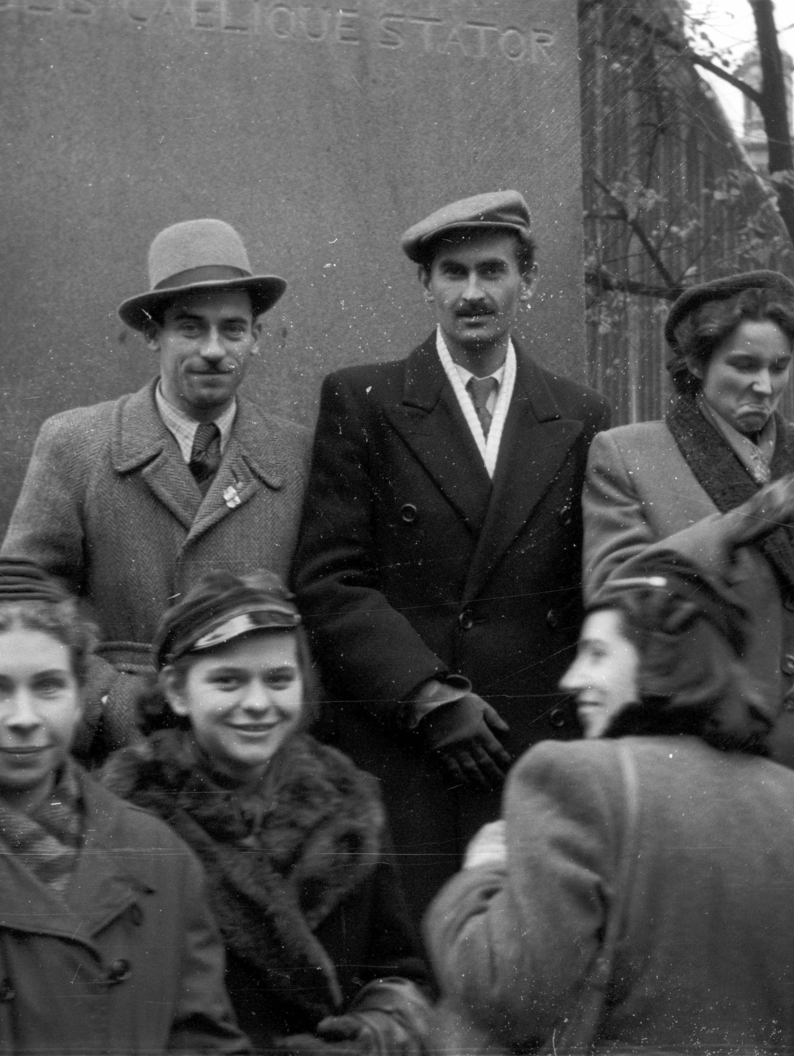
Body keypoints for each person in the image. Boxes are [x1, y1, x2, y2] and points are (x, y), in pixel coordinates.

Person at [426, 496, 794, 1053]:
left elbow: (508, 994)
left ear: (659, 657)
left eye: (594, 653)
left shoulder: (573, 780)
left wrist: (482, 875)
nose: (572, 679)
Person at [293, 190, 610, 913]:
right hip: (409, 746)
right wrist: (428, 695)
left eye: (492, 271)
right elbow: (328, 579)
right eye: (454, 273)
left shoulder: (579, 414)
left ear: (526, 281)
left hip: (528, 744)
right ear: (426, 286)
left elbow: (592, 586)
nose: (473, 293)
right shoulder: (364, 399)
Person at [0, 557, 246, 1054]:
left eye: (48, 686)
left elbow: (203, 1042)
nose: (24, 717)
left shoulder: (160, 855)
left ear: (77, 699)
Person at [2, 218, 310, 763]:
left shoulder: (296, 454)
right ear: (153, 335)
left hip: (251, 754)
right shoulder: (77, 443)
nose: (214, 349)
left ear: (257, 338)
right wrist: (114, 699)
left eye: (233, 329)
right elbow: (24, 604)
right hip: (116, 760)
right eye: (190, 328)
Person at [99, 570, 433, 1054]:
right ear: (176, 690)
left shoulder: (351, 804)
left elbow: (401, 976)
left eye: (278, 679)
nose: (257, 703)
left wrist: (375, 1034)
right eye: (228, 681)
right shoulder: (126, 817)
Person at [583, 270, 794, 772]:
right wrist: (740, 523)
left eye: (779, 367)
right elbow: (615, 590)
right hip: (694, 748)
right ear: (696, 362)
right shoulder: (626, 453)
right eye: (744, 365)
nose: (765, 385)